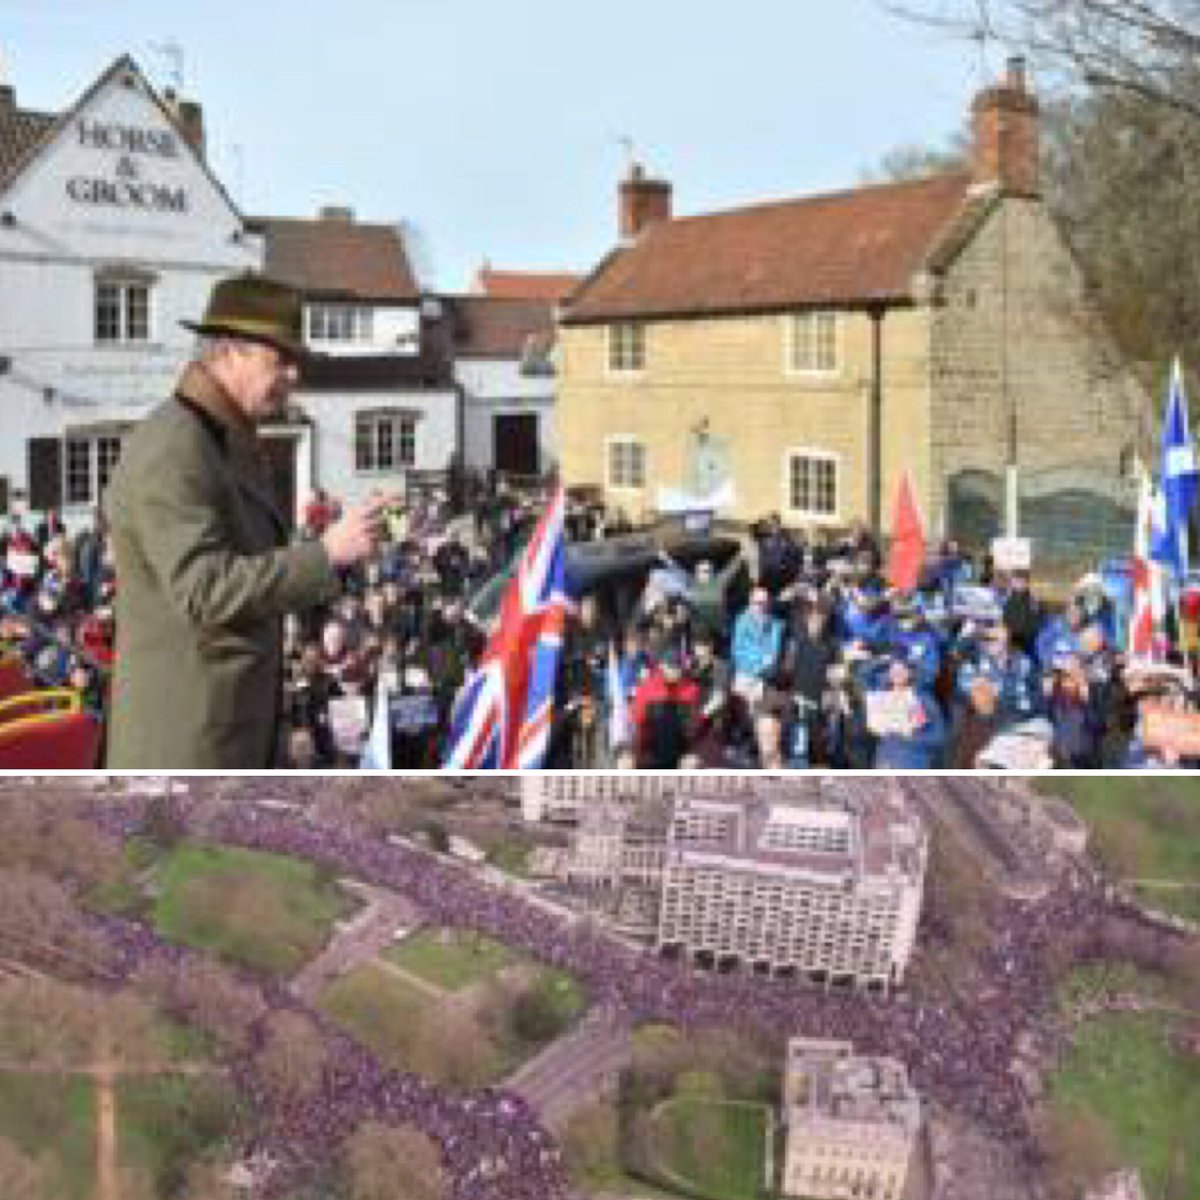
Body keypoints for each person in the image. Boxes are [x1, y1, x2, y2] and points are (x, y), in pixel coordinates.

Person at [106, 274, 391, 768]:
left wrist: (330, 552)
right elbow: (204, 589)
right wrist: (324, 555)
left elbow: (247, 563)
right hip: (187, 742)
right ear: (229, 352)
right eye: (279, 360)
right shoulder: (178, 445)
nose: (293, 376)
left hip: (224, 728)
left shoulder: (222, 437)